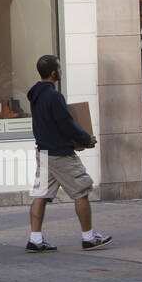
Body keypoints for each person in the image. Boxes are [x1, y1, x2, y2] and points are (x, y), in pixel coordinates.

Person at [25, 55, 110, 251]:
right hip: (60, 153)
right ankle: (88, 237)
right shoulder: (54, 96)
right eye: (60, 68)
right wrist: (85, 138)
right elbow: (66, 124)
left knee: (41, 194)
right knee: (81, 191)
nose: (61, 71)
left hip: (44, 151)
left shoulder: (35, 95)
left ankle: (35, 239)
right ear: (54, 73)